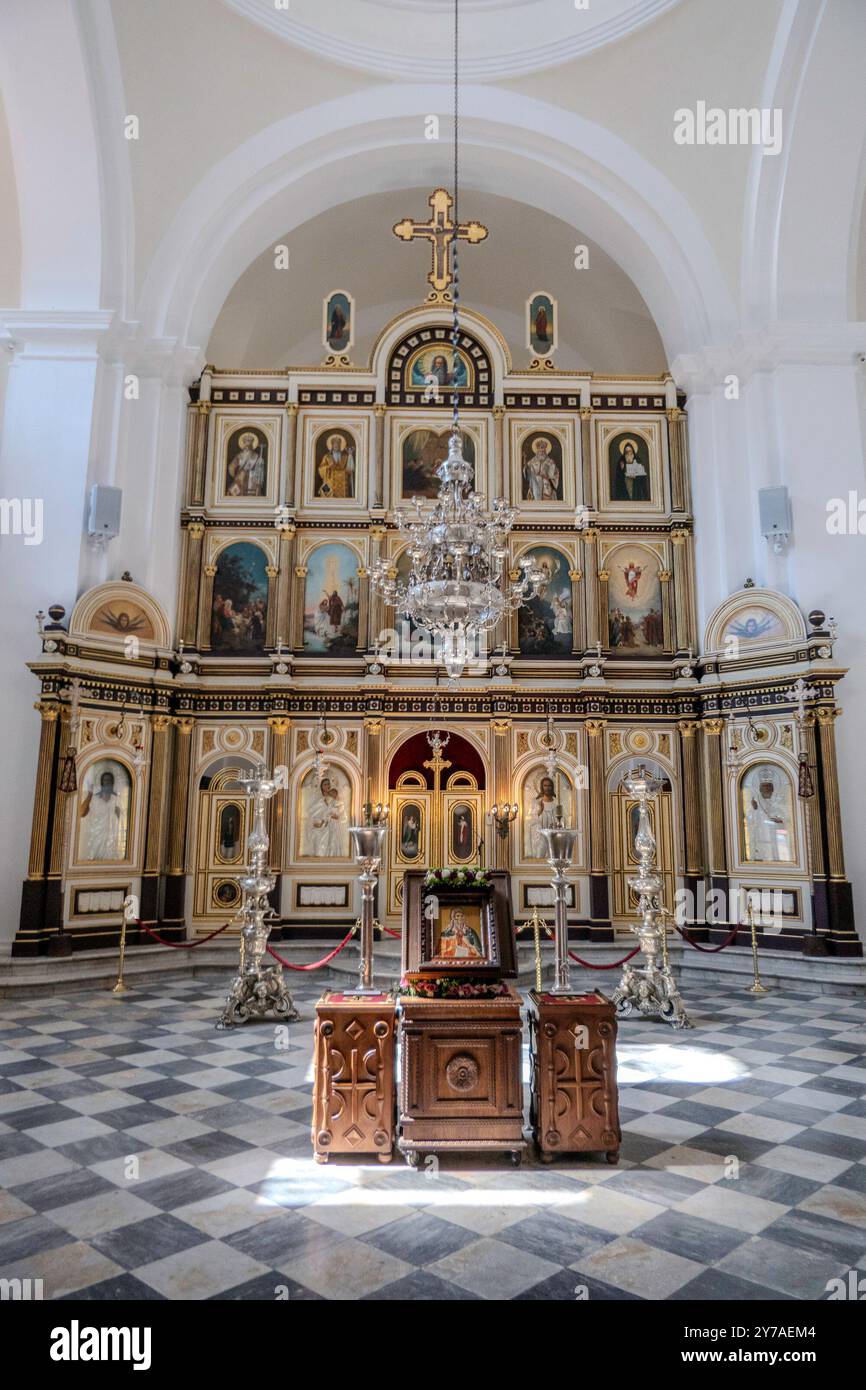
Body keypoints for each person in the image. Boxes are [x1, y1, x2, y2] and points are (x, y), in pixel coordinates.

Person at [745, 771, 793, 861]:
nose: (766, 788)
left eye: (769, 786)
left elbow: (787, 817)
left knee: (777, 855)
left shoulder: (779, 801)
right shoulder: (755, 802)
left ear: (773, 788)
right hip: (761, 836)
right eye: (764, 786)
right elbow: (748, 819)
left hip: (777, 837)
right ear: (759, 788)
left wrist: (780, 819)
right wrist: (754, 809)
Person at [79, 768, 126, 860]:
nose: (107, 783)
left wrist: (119, 814)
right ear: (101, 783)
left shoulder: (116, 800)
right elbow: (81, 813)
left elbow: (123, 822)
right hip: (95, 841)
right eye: (105, 780)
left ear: (112, 784)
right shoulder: (94, 800)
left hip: (111, 844)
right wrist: (89, 795)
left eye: (109, 781)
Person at [303, 774, 348, 857]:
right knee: (321, 848)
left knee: (333, 846)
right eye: (325, 784)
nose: (328, 786)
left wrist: (334, 815)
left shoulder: (335, 800)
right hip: (322, 829)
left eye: (328, 784)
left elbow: (342, 815)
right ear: (321, 787)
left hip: (333, 827)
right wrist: (320, 822)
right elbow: (312, 815)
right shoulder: (319, 801)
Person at [526, 774, 560, 858]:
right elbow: (530, 821)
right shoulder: (536, 802)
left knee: (553, 858)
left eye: (549, 786)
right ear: (542, 787)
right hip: (540, 837)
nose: (547, 788)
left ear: (552, 787)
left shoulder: (556, 803)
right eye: (545, 785)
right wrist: (540, 811)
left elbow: (561, 819)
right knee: (539, 857)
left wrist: (557, 824)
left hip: (553, 836)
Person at [523, 437, 560, 501]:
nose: (542, 452)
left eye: (543, 450)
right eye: (540, 450)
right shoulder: (532, 461)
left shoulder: (550, 462)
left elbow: (556, 474)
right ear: (537, 450)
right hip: (535, 488)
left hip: (547, 488)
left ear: (546, 450)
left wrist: (547, 477)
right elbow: (527, 474)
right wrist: (526, 468)